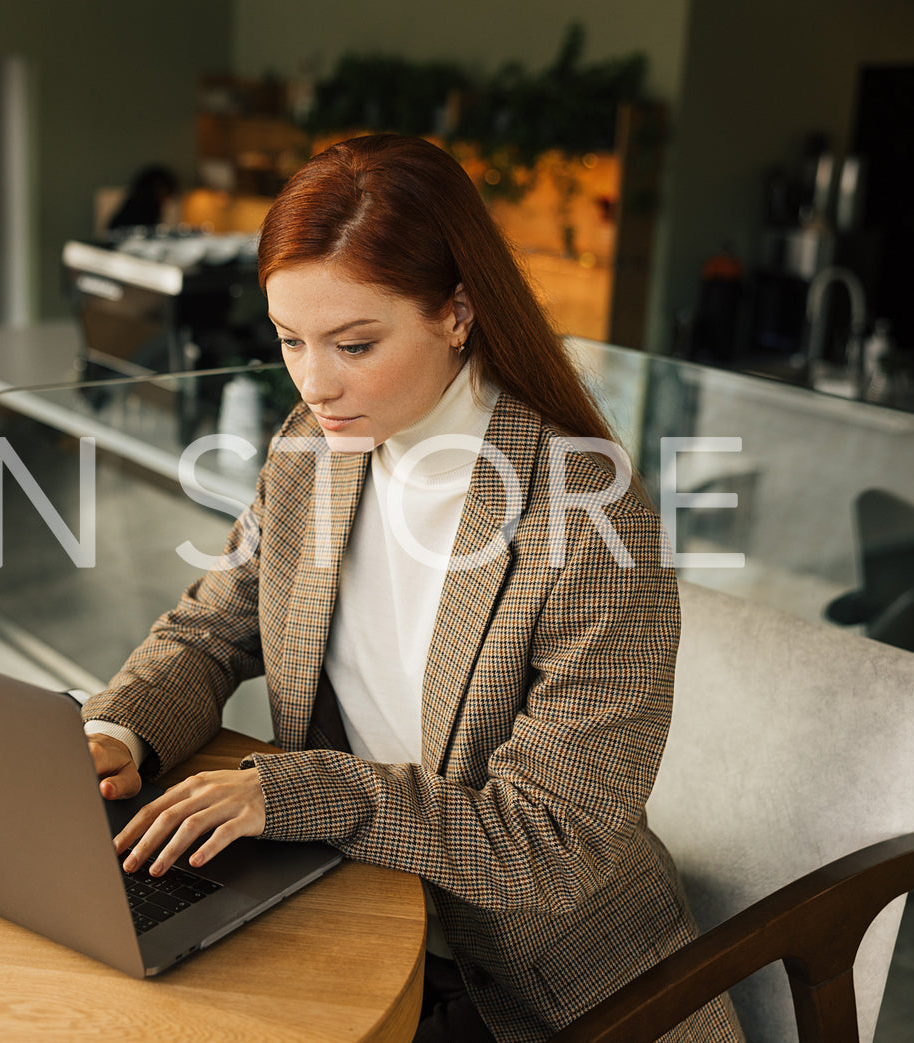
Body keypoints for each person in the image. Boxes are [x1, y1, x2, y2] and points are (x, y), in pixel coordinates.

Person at [81, 134, 744, 1042]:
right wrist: (116, 729)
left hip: (546, 991)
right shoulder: (312, 449)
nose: (314, 382)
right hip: (347, 916)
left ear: (457, 313)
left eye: (354, 343)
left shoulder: (588, 518)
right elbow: (212, 626)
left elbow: (550, 843)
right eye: (289, 341)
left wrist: (299, 794)